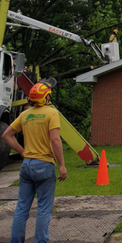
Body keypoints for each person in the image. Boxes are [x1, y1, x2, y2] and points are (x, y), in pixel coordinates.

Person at [2, 80, 67, 243]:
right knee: (44, 209)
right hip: (44, 165)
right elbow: (55, 140)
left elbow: (6, 135)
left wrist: (22, 151)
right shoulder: (51, 113)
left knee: (22, 208)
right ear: (45, 98)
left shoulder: (25, 115)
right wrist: (62, 165)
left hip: (27, 166)